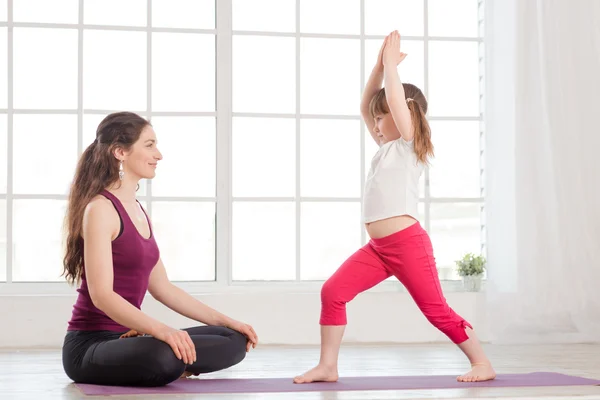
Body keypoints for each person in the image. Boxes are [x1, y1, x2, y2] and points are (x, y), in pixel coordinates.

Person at [294, 31, 495, 384]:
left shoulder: (407, 144)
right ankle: (327, 366)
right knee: (333, 292)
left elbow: (398, 104)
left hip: (407, 244)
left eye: (381, 117)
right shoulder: (386, 147)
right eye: (375, 119)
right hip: (378, 249)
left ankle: (482, 363)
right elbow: (364, 106)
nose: (374, 124)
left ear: (407, 115)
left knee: (435, 311)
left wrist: (391, 67)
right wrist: (377, 67)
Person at [61, 112, 258, 387]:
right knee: (164, 355)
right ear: (120, 152)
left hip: (132, 338)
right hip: (90, 346)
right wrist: (158, 330)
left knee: (233, 340)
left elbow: (163, 287)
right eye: (149, 145)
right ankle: (163, 360)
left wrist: (228, 321)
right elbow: (102, 296)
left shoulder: (138, 210)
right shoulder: (100, 210)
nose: (159, 154)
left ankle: (161, 358)